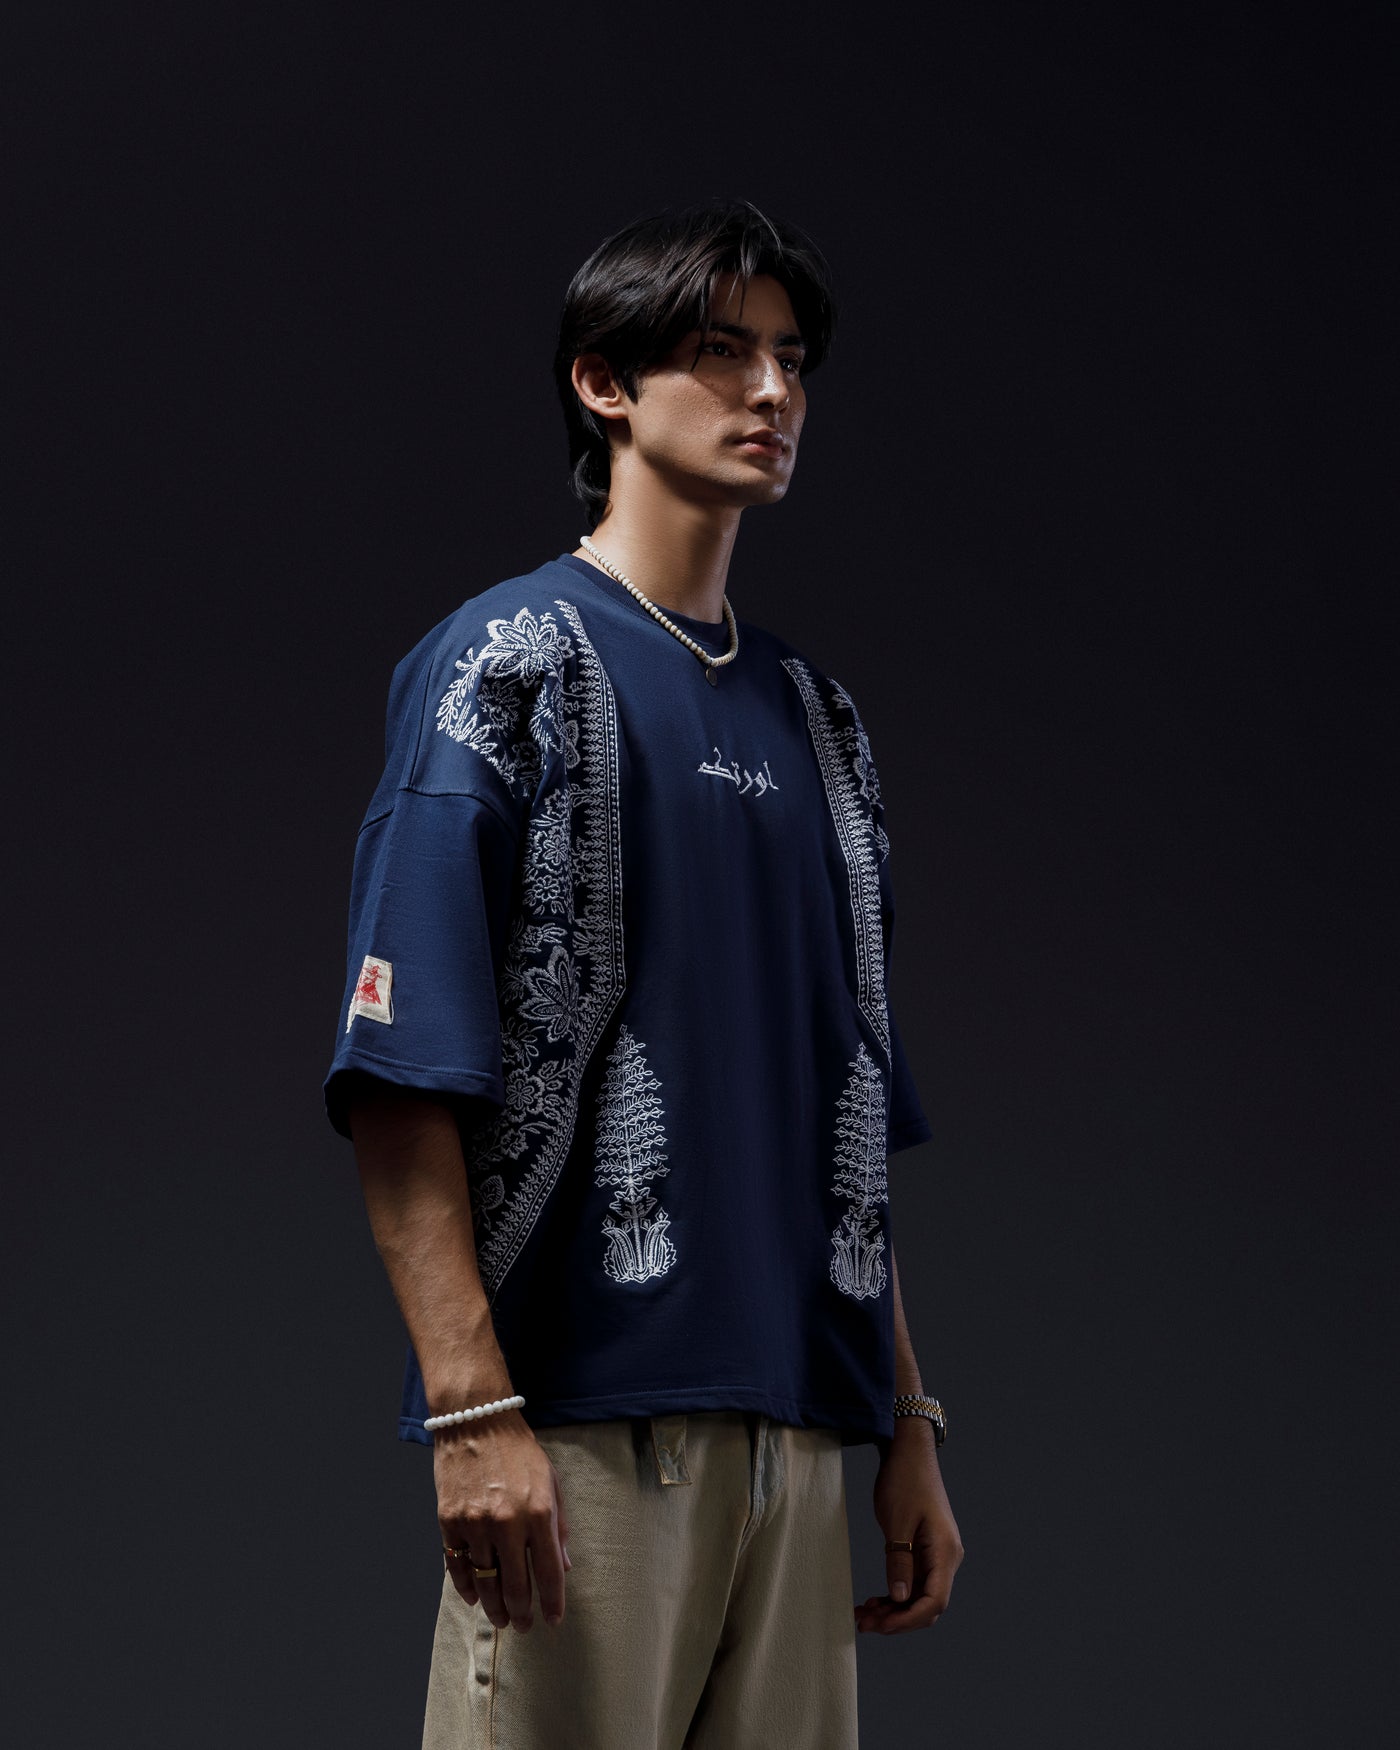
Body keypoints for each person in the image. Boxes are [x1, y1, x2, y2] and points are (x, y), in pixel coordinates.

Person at [323, 197, 964, 1749]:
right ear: (603, 384)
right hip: (582, 1431)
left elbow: (844, 1114)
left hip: (801, 1437)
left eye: (792, 359)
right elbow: (399, 1079)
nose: (773, 391)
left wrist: (906, 1419)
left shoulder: (823, 726)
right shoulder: (503, 667)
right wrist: (473, 1410)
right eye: (723, 352)